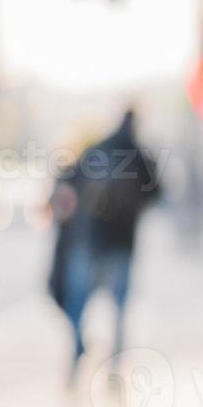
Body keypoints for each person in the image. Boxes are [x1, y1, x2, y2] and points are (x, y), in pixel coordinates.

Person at [47, 108, 162, 387]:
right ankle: (114, 371)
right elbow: (158, 195)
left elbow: (66, 188)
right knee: (118, 312)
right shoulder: (140, 156)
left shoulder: (96, 151)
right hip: (122, 245)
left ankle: (76, 358)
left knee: (77, 306)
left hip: (90, 242)